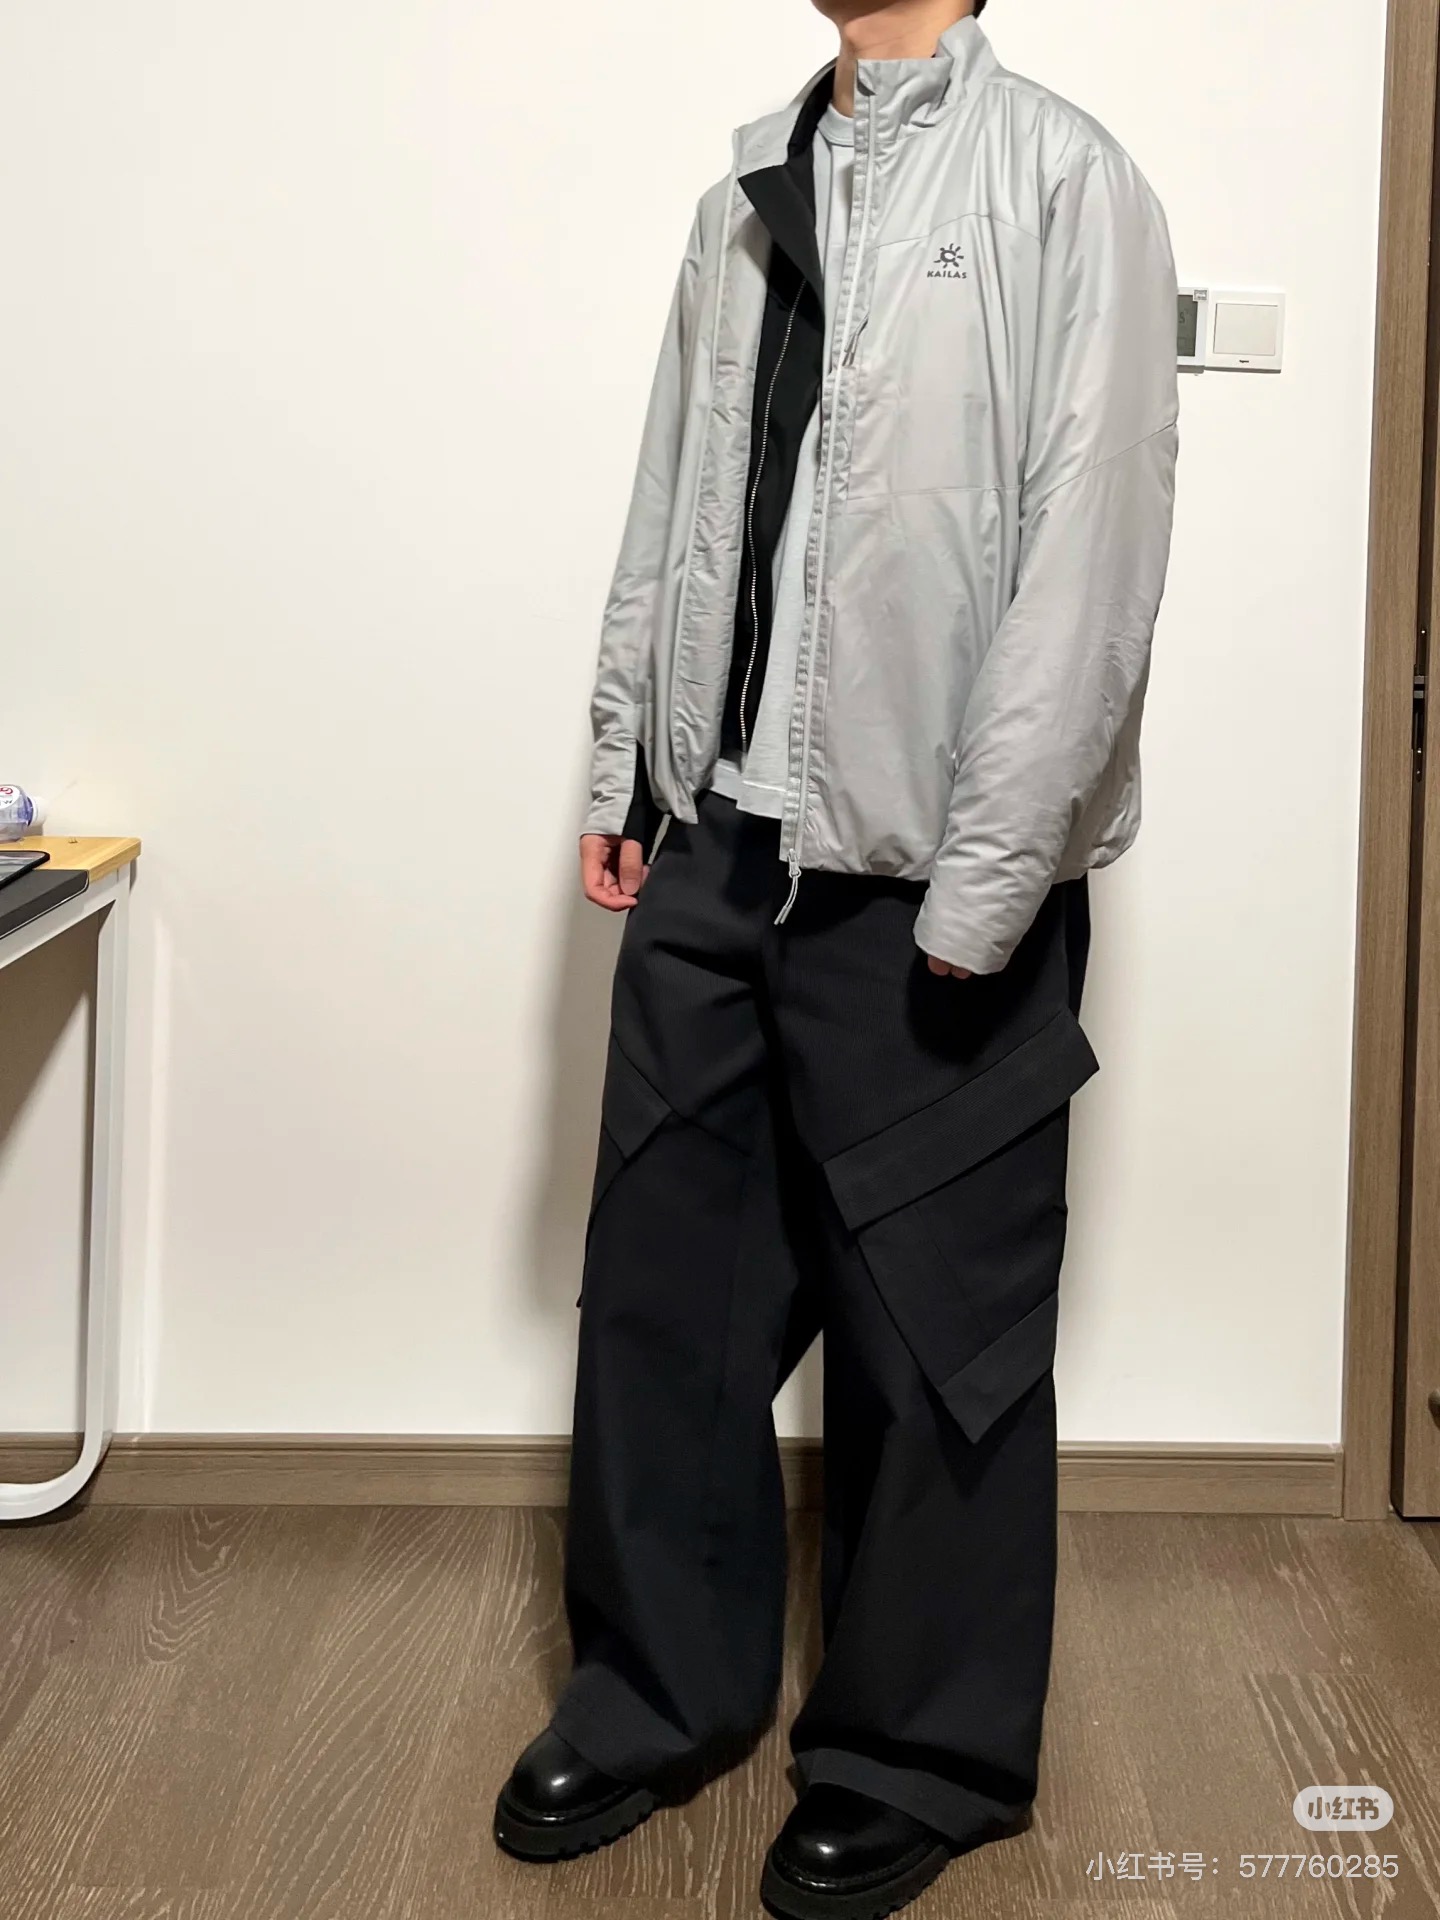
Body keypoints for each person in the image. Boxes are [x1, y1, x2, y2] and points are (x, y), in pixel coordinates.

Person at [494, 0, 1178, 1913]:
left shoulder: (1068, 182)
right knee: (663, 1291)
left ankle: (917, 1752)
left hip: (929, 859)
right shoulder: (744, 190)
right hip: (721, 834)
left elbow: (1094, 557)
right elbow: (675, 495)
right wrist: (630, 755)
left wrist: (992, 876)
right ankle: (658, 1695)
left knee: (935, 1329)